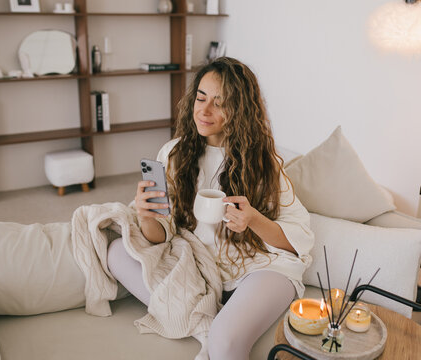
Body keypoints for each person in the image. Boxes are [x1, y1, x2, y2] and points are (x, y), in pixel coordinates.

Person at [107, 57, 314, 360]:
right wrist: (146, 215)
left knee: (226, 343)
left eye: (219, 103)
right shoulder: (175, 153)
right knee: (116, 252)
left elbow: (297, 241)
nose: (203, 111)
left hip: (260, 268)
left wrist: (253, 219)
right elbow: (158, 239)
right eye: (200, 98)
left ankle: (209, 325)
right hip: (199, 270)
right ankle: (207, 323)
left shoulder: (263, 162)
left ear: (240, 109)